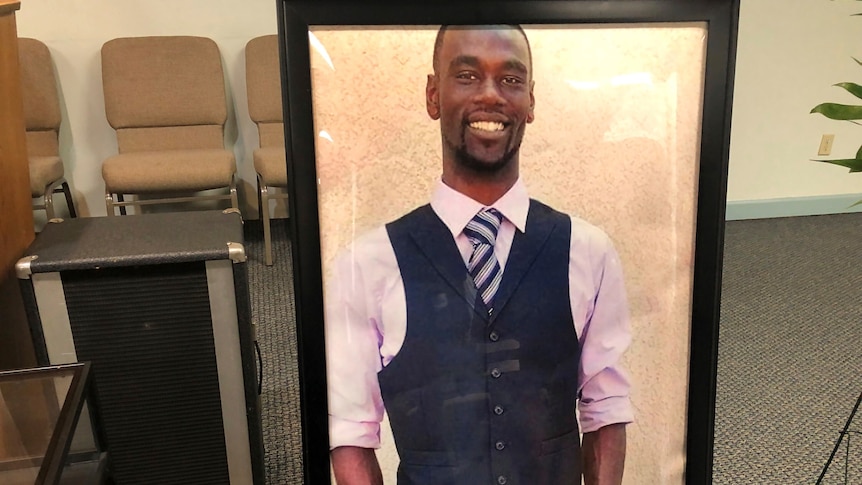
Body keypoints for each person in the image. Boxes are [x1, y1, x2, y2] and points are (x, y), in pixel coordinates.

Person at [325, 24, 633, 485]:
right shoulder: (365, 266)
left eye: (511, 80)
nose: (490, 95)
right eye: (466, 75)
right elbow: (350, 432)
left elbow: (605, 409)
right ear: (433, 95)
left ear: (531, 101)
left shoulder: (590, 253)